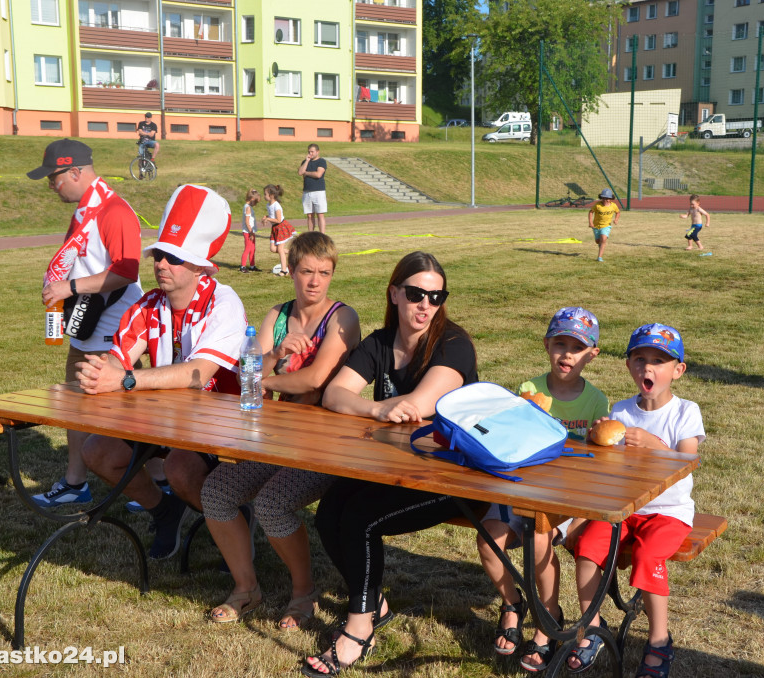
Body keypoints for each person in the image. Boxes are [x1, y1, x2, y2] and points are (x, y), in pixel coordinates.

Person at [302, 252, 482, 677]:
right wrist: (377, 409)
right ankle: (374, 601)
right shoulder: (381, 343)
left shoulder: (453, 346)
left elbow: (418, 407)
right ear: (395, 293)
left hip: (453, 476)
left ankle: (358, 630)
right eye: (417, 294)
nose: (426, 305)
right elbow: (334, 395)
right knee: (330, 514)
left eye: (436, 297)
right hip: (396, 468)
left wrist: (375, 407)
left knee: (361, 518)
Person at [76, 184, 246, 560]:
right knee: (98, 451)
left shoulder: (224, 302)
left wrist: (125, 379)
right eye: (159, 255)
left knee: (181, 468)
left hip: (223, 425)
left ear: (201, 265)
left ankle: (238, 523)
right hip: (166, 421)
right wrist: (100, 372)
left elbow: (199, 374)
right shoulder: (149, 303)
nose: (160, 264)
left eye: (173, 257)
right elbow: (117, 359)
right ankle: (165, 511)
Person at [200, 232, 361, 628]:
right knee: (216, 492)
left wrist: (265, 382)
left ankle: (303, 592)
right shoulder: (277, 316)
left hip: (328, 443)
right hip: (278, 436)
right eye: (307, 271)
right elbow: (247, 371)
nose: (315, 281)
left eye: (324, 272)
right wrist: (275, 353)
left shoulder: (342, 317)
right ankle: (246, 587)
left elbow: (315, 379)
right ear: (291, 270)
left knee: (273, 503)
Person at [565, 323, 704, 678]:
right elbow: (607, 465)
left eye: (659, 360)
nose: (648, 368)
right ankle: (592, 628)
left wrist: (655, 445)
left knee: (647, 555)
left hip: (669, 513)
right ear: (629, 366)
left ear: (677, 370)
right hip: (624, 510)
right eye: (640, 359)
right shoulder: (622, 411)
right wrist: (598, 438)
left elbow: (689, 461)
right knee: (587, 547)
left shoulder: (685, 411)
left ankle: (659, 639)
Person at [478, 307, 610, 672]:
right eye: (559, 344)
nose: (566, 354)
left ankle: (547, 620)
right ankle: (511, 602)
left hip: (565, 495)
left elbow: (595, 460)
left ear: (592, 354)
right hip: (522, 485)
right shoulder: (529, 390)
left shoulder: (596, 401)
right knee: (488, 539)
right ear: (546, 345)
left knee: (538, 539)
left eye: (577, 347)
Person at [26, 138, 144, 508]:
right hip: (88, 322)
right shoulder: (87, 208)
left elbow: (126, 272)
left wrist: (69, 286)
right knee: (78, 403)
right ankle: (77, 481)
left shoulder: (113, 210)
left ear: (75, 171)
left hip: (113, 326)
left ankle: (155, 482)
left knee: (127, 411)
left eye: (54, 176)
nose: (50, 184)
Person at [263, 184, 296, 277]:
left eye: (265, 194)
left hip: (281, 227)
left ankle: (284, 270)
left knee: (280, 249)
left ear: (271, 195)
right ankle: (293, 252)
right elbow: (271, 216)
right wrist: (266, 217)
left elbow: (278, 219)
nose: (264, 196)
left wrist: (268, 219)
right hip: (275, 228)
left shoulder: (276, 206)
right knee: (273, 249)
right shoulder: (268, 205)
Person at [298, 144, 328, 234]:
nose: (310, 153)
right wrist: (307, 161)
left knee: (320, 214)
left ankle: (322, 235)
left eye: (312, 151)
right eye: (309, 151)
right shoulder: (305, 161)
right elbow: (300, 172)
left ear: (317, 152)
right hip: (307, 191)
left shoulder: (321, 161)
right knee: (310, 215)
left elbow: (318, 174)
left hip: (318, 191)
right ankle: (311, 235)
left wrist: (306, 173)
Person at [588, 188, 619, 262]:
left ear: (611, 198)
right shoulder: (597, 205)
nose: (606, 200)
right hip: (596, 226)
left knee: (604, 239)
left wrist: (616, 219)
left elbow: (618, 212)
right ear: (601, 198)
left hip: (606, 226)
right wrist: (590, 222)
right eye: (604, 198)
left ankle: (599, 257)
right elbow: (591, 212)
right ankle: (600, 244)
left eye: (608, 198)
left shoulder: (613, 206)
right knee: (598, 241)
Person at [240, 189, 260, 273]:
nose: (255, 204)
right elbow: (247, 222)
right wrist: (251, 233)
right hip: (248, 232)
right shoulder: (247, 208)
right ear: (252, 199)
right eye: (256, 202)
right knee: (248, 249)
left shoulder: (249, 207)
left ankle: (252, 266)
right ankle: (243, 266)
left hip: (251, 231)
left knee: (253, 249)